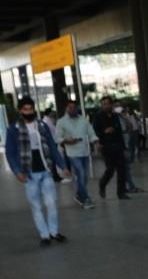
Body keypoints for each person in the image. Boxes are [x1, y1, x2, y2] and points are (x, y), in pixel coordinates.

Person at [5, 96, 70, 246]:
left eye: (31, 109)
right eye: (25, 109)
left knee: (51, 203)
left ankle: (54, 232)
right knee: (36, 206)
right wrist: (17, 172)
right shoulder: (13, 129)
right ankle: (44, 235)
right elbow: (10, 152)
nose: (29, 112)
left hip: (46, 170)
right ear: (20, 111)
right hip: (28, 173)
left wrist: (62, 165)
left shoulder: (42, 125)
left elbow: (52, 147)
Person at [55, 99, 98, 208]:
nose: (72, 109)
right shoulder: (61, 122)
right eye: (70, 107)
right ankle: (86, 199)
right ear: (66, 109)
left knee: (85, 177)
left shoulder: (83, 120)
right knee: (81, 174)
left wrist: (96, 142)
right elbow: (57, 138)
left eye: (74, 107)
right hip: (72, 153)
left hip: (84, 152)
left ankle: (79, 195)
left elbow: (91, 133)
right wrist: (67, 141)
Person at [93, 95, 129, 200]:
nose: (106, 106)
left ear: (111, 105)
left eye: (107, 104)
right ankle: (102, 184)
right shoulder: (98, 117)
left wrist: (124, 147)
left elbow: (119, 132)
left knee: (122, 169)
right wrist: (104, 132)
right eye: (103, 104)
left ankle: (121, 193)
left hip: (117, 145)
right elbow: (95, 132)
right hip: (106, 146)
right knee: (110, 169)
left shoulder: (115, 116)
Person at [114, 103, 144, 194]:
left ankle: (127, 187)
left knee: (125, 168)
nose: (119, 108)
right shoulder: (114, 118)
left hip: (125, 143)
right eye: (116, 106)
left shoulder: (122, 117)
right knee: (123, 167)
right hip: (119, 145)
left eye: (120, 106)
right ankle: (129, 187)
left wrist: (126, 120)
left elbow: (130, 127)